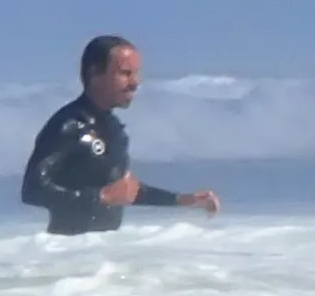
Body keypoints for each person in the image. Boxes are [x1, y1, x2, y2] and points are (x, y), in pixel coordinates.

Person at [23, 36, 221, 235]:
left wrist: (182, 200)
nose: (135, 83)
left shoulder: (114, 129)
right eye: (125, 73)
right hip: (67, 253)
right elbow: (32, 189)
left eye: (136, 74)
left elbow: (124, 191)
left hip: (104, 253)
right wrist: (99, 198)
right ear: (95, 73)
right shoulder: (68, 125)